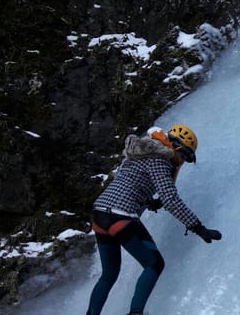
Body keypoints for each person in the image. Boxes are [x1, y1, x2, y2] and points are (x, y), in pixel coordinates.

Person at [86, 124, 222, 315]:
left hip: (100, 214)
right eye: (184, 156)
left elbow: (133, 181)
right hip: (121, 215)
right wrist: (199, 228)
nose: (181, 162)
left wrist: (150, 201)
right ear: (176, 147)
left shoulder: (138, 153)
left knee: (109, 275)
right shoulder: (161, 159)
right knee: (154, 264)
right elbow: (171, 200)